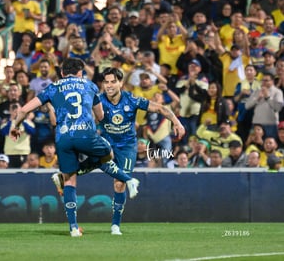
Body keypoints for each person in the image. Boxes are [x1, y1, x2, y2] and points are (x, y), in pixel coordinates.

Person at [10, 58, 142, 237]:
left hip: (63, 138)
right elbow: (100, 114)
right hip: (86, 135)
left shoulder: (52, 87)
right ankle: (128, 179)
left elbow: (24, 110)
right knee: (107, 152)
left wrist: (15, 126)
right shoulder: (90, 85)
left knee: (70, 180)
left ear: (63, 73)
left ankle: (73, 228)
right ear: (80, 72)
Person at [51, 67, 185, 235]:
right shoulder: (97, 100)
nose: (109, 85)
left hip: (127, 146)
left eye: (113, 81)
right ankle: (65, 177)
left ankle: (115, 225)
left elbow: (160, 108)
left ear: (121, 83)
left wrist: (177, 123)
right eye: (106, 82)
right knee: (109, 173)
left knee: (119, 182)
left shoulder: (132, 100)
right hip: (105, 145)